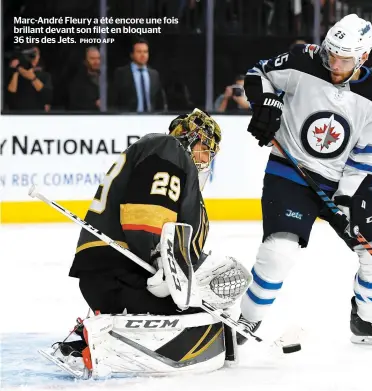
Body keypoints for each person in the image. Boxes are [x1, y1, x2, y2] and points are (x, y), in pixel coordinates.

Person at [237, 14, 372, 345]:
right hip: (290, 172)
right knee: (279, 253)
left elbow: (368, 159)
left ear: (363, 58)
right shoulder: (304, 59)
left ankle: (366, 319)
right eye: (331, 53)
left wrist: (344, 198)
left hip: (345, 180)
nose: (334, 63)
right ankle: (246, 321)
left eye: (344, 59)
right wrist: (267, 101)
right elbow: (258, 73)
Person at [40, 109, 247, 378]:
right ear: (188, 137)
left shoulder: (171, 161)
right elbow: (147, 215)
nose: (207, 158)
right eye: (204, 148)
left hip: (111, 273)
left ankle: (93, 333)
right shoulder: (170, 149)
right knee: (200, 318)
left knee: (205, 311)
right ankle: (97, 341)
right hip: (120, 273)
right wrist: (161, 262)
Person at [110, 38, 166, 112]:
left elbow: (159, 101)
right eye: (139, 52)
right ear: (132, 54)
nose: (143, 55)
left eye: (145, 52)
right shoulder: (121, 73)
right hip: (128, 118)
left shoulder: (154, 74)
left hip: (152, 119)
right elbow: (114, 99)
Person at [5, 45, 53, 112]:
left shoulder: (44, 75)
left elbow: (47, 98)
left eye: (34, 55)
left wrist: (33, 78)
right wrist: (16, 70)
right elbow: (9, 97)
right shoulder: (12, 73)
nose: (32, 58)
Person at [68, 46, 101, 111]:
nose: (96, 62)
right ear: (85, 61)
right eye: (92, 58)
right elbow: (75, 104)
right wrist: (95, 104)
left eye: (98, 58)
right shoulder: (77, 81)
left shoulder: (106, 79)